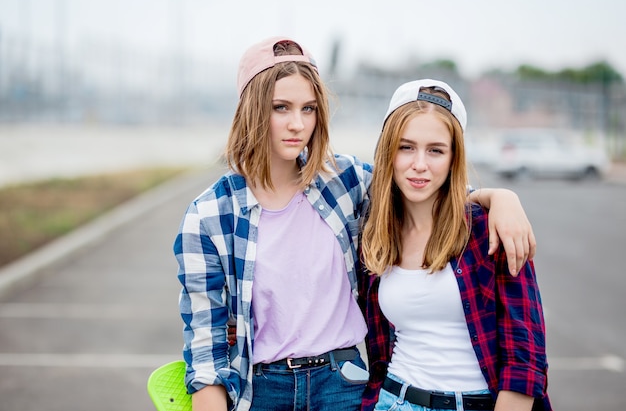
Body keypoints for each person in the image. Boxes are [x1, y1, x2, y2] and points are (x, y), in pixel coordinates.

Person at [174, 37, 537, 411]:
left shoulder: (343, 181)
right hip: (263, 389)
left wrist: (499, 198)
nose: (297, 124)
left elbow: (425, 187)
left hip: (342, 382)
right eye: (280, 107)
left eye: (309, 108)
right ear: (250, 109)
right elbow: (206, 351)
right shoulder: (208, 217)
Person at [360, 79, 551, 411]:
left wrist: (503, 197)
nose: (419, 163)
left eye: (435, 150)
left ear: (453, 158)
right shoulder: (377, 232)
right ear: (387, 152)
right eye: (406, 147)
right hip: (393, 400)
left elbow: (525, 362)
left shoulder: (488, 229)